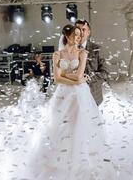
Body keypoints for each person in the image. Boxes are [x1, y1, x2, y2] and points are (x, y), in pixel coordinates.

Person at [29, 24, 115, 180]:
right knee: (60, 126)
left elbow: (78, 74)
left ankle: (81, 162)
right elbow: (57, 78)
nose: (78, 37)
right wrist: (74, 79)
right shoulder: (57, 54)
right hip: (62, 94)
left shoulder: (83, 53)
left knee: (80, 125)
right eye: (75, 34)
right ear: (66, 36)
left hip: (79, 95)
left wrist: (69, 77)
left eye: (79, 34)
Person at [75, 19, 109, 106]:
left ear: (88, 32)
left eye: (84, 29)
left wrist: (88, 78)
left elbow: (105, 73)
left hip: (93, 96)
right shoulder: (69, 50)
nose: (81, 33)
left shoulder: (97, 49)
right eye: (78, 29)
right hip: (75, 97)